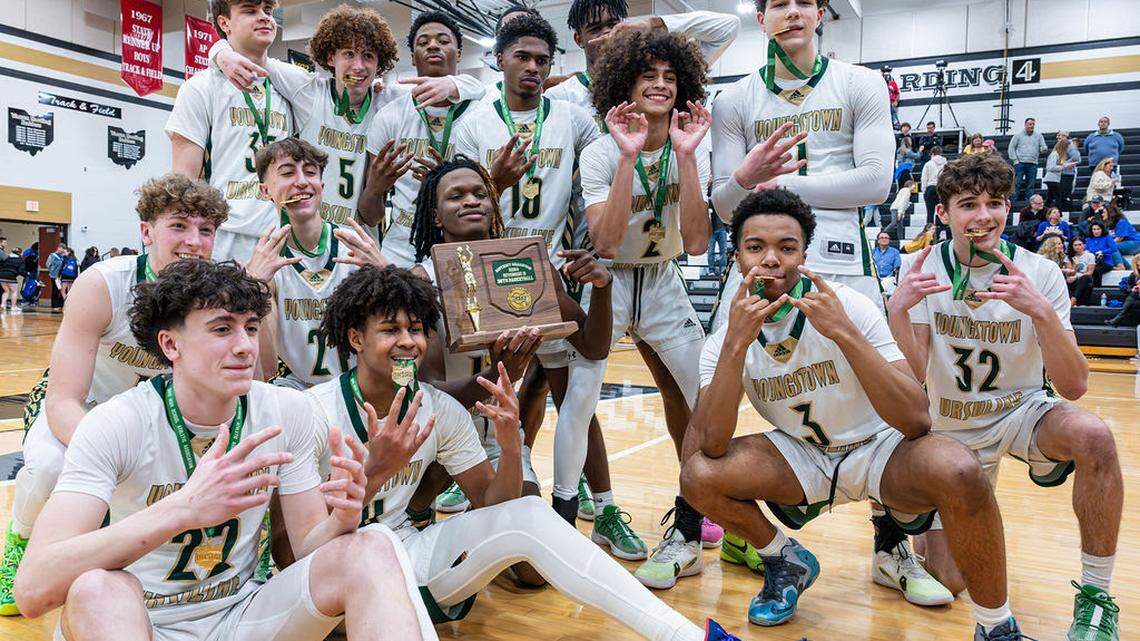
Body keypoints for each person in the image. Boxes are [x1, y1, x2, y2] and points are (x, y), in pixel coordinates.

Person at [311, 264, 744, 641]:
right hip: (332, 568)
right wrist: (375, 472)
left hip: (407, 551)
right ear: (355, 338)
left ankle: (688, 636)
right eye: (390, 330)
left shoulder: (439, 409)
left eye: (417, 330)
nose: (409, 342)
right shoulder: (313, 412)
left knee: (531, 514)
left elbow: (493, 509)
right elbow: (292, 550)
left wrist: (509, 445)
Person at [14, 259, 435, 640]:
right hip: (141, 621)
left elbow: (308, 547)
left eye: (250, 328)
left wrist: (345, 516)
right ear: (170, 345)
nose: (244, 346)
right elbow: (33, 590)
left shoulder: (286, 411)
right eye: (221, 328)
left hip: (242, 615)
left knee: (372, 545)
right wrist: (184, 508)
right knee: (96, 588)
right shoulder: (116, 423)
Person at [681, 188, 1014, 636]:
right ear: (737, 256)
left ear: (804, 255)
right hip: (806, 454)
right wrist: (737, 344)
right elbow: (713, 443)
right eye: (755, 247)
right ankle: (784, 558)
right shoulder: (725, 337)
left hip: (880, 449)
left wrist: (843, 333)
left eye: (787, 247)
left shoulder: (848, 305)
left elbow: (917, 419)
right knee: (698, 474)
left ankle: (995, 625)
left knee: (960, 470)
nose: (771, 259)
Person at [888, 153, 1122, 641]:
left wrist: (1041, 312)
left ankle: (1097, 601)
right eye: (967, 204)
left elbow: (1076, 385)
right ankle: (895, 530)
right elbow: (912, 381)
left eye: (994, 203)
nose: (983, 216)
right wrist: (897, 314)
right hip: (948, 426)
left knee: (1094, 435)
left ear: (1008, 209)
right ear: (943, 213)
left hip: (1021, 412)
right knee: (951, 582)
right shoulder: (922, 267)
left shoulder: (1039, 271)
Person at [0, 174, 229, 616]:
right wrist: (111, 455)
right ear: (146, 232)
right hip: (82, 408)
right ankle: (21, 537)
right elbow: (64, 398)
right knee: (49, 466)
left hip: (156, 421)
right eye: (179, 225)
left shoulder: (215, 295)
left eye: (206, 230)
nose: (194, 241)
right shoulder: (103, 284)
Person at [407, 158, 644, 561]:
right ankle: (417, 511)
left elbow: (592, 346)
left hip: (498, 436)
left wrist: (603, 288)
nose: (471, 201)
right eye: (456, 196)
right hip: (439, 440)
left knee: (533, 569)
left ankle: (480, 521)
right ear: (436, 213)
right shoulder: (421, 281)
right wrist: (498, 378)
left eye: (480, 194)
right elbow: (428, 392)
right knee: (421, 536)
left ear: (494, 205)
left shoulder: (528, 264)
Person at [581, 28, 723, 587]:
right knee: (576, 397)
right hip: (606, 279)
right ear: (624, 83)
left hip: (662, 276)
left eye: (670, 77)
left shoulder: (693, 143)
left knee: (700, 397)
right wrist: (626, 159)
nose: (661, 85)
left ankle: (704, 505)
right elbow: (606, 244)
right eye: (648, 76)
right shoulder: (600, 148)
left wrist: (686, 157)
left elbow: (695, 242)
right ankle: (584, 509)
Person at [208, 5, 484, 244]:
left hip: (360, 236)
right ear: (331, 58)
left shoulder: (387, 100)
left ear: (380, 65)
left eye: (368, 56)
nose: (359, 66)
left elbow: (480, 90)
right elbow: (254, 54)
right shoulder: (308, 91)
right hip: (307, 233)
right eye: (348, 54)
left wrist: (453, 83)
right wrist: (219, 50)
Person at [709, 0, 895, 333]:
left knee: (860, 379)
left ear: (819, 15)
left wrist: (780, 189)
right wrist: (743, 178)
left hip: (844, 263)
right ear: (763, 19)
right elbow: (724, 209)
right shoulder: (732, 100)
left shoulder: (861, 83)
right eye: (780, 4)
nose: (793, 12)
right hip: (762, 267)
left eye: (804, 3)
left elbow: (876, 183)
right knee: (732, 377)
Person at [246, 138, 388, 390]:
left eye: (310, 172)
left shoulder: (355, 247)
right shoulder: (262, 261)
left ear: (321, 185)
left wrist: (387, 275)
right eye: (288, 173)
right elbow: (266, 368)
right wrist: (256, 290)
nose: (301, 181)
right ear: (265, 190)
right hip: (298, 389)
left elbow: (399, 337)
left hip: (361, 386)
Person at [166, 0, 294, 263]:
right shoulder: (200, 88)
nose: (264, 18)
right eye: (250, 10)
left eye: (268, 11)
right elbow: (183, 181)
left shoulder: (289, 85)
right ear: (224, 23)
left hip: (280, 235)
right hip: (223, 235)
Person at [358, 12, 484, 269]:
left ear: (459, 53)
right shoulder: (389, 117)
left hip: (465, 248)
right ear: (413, 56)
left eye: (443, 41)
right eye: (423, 42)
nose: (433, 45)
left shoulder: (483, 110)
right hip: (402, 250)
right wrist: (376, 188)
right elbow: (370, 216)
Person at [546, 0, 740, 112]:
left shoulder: (656, 81)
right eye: (596, 29)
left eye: (613, 25)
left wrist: (652, 24)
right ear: (579, 39)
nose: (608, 34)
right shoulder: (561, 96)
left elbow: (729, 27)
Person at [1007, 117, 1047, 201]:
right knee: (1017, 183)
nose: (1032, 126)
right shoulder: (1017, 135)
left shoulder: (1039, 136)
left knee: (1031, 184)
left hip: (1033, 163)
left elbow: (1044, 146)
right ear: (1025, 125)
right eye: (1030, 124)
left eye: (1033, 124)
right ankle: (1013, 201)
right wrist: (1015, 160)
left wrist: (1043, 149)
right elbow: (1011, 147)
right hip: (1020, 163)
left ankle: (1029, 201)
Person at [1043, 132, 1079, 211]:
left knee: (1050, 198)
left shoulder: (1056, 154)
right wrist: (1065, 166)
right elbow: (1051, 167)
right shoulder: (1055, 154)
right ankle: (1059, 213)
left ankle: (1044, 212)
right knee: (1058, 197)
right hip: (1052, 179)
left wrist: (1066, 165)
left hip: (1053, 179)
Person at [1105, 254, 1140, 327]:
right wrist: (1133, 289)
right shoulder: (1133, 275)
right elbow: (1128, 287)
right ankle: (1116, 320)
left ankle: (1116, 320)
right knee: (1133, 298)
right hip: (1135, 297)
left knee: (1131, 302)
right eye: (1137, 265)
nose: (1139, 267)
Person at [921, 145, 947, 226]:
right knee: (941, 211)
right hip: (941, 188)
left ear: (932, 153)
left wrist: (924, 190)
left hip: (930, 187)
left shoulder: (928, 164)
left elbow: (924, 178)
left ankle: (929, 235)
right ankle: (941, 233)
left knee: (930, 212)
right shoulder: (946, 164)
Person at [1067, 237, 1097, 306]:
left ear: (1084, 245)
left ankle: (1074, 299)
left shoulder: (1090, 256)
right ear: (1072, 246)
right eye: (1075, 245)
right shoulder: (1068, 257)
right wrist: (1075, 265)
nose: (1078, 247)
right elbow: (1070, 273)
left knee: (1086, 278)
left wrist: (1077, 276)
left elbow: (1090, 272)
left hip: (1084, 279)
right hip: (1072, 280)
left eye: (1080, 244)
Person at [46, 244, 67, 311]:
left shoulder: (63, 256)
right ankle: (54, 305)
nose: (63, 250)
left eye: (64, 249)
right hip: (54, 276)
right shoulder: (53, 256)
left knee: (61, 290)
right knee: (55, 290)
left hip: (61, 276)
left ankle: (61, 304)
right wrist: (52, 269)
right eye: (62, 248)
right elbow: (47, 264)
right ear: (59, 248)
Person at [0, 246, 21, 313]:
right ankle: (13, 306)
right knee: (14, 291)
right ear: (19, 253)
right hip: (11, 276)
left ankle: (3, 305)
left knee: (6, 291)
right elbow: (21, 270)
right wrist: (26, 275)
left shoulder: (7, 258)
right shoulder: (20, 260)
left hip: (2, 275)